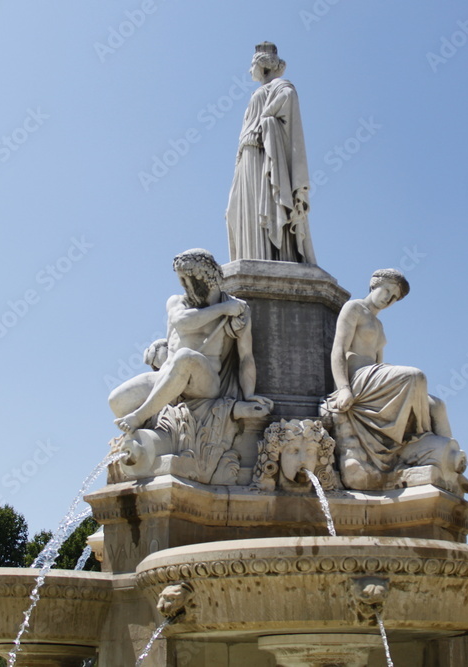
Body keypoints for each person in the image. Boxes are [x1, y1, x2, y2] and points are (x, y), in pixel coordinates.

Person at [322, 269, 464, 491]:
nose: (389, 299)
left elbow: (380, 364)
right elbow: (338, 350)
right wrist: (343, 388)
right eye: (387, 291)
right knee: (414, 376)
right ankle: (417, 440)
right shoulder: (354, 308)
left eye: (394, 297)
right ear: (373, 285)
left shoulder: (379, 325)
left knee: (436, 406)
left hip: (375, 377)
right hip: (359, 378)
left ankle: (449, 462)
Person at [109, 249, 272, 438]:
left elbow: (246, 357)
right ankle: (157, 435)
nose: (184, 286)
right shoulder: (179, 302)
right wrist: (223, 309)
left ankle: (140, 416)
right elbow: (182, 322)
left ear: (205, 277)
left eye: (188, 280)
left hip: (204, 382)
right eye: (181, 280)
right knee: (117, 401)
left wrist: (249, 394)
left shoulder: (239, 310)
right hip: (168, 377)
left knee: (185, 357)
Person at [226, 42, 316, 264]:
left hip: (265, 154)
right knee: (234, 211)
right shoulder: (259, 90)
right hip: (247, 155)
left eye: (254, 63)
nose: (251, 69)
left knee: (268, 200)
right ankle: (251, 254)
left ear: (264, 65)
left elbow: (288, 98)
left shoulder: (280, 85)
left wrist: (265, 119)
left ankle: (273, 256)